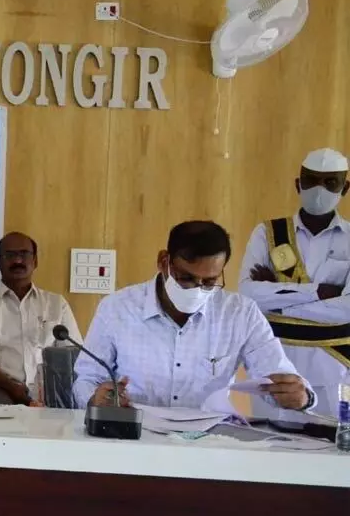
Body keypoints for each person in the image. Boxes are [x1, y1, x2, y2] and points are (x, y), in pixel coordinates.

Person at [73, 220, 313, 413]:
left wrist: (300, 396)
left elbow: (277, 375)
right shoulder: (117, 308)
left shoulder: (240, 313)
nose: (196, 289)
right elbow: (86, 379)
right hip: (133, 437)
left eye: (209, 282)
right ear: (163, 261)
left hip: (207, 444)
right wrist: (95, 399)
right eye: (186, 278)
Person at [240, 148, 350, 417]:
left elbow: (347, 308)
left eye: (330, 182)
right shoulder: (268, 233)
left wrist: (279, 303)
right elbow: (248, 294)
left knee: (332, 448)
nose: (318, 188)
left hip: (334, 361)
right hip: (275, 360)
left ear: (344, 187)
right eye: (311, 180)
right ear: (298, 183)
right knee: (269, 446)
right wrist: (319, 292)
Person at [0, 232, 81, 405]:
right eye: (10, 255)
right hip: (0, 388)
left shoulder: (57, 304)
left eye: (24, 254)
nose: (17, 261)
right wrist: (13, 388)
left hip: (50, 389)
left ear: (35, 261)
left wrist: (53, 392)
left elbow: (72, 354)